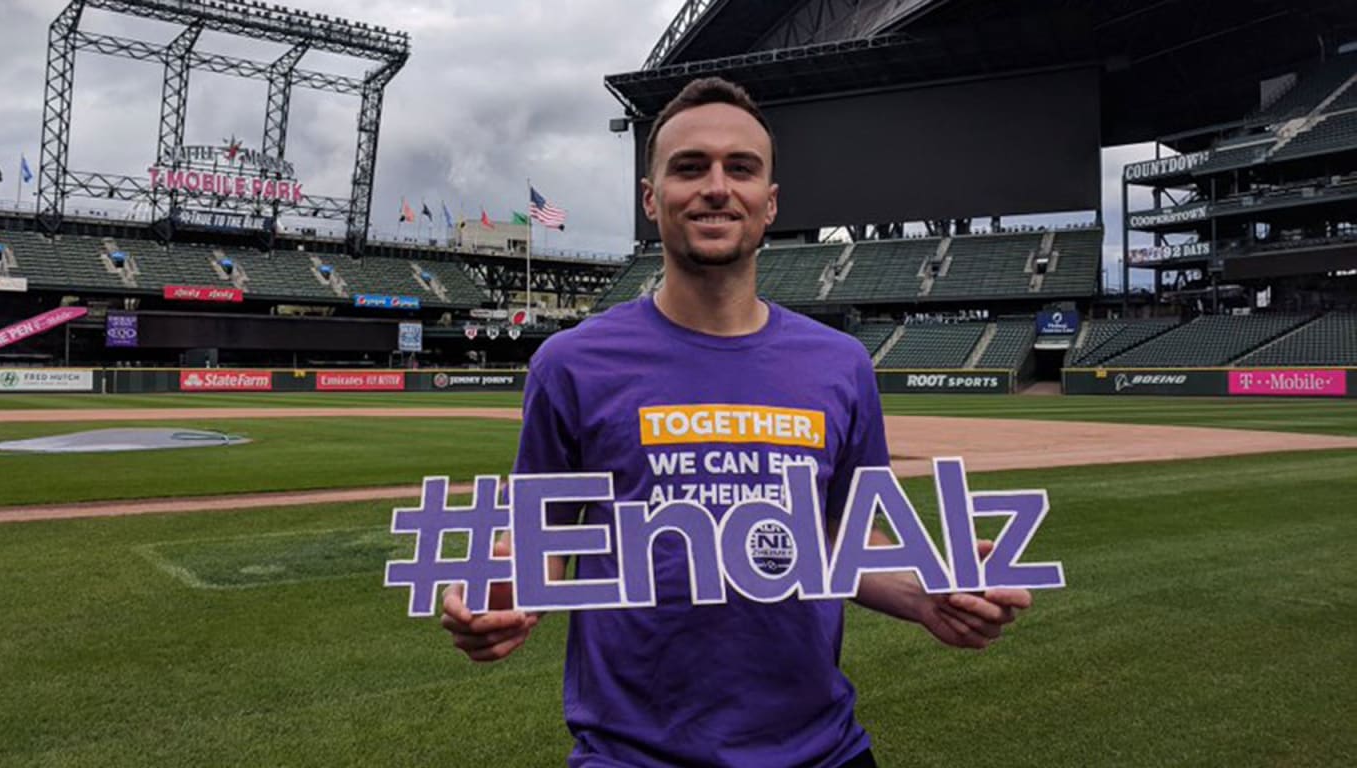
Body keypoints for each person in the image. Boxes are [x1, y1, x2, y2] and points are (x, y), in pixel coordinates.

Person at [441, 76, 1032, 768]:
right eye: (690, 167)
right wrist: (497, 599)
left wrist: (929, 595)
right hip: (631, 757)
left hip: (823, 753)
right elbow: (539, 542)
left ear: (769, 202)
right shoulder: (570, 365)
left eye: (741, 168)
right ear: (651, 197)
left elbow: (843, 535)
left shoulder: (841, 366)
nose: (717, 187)